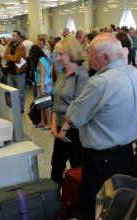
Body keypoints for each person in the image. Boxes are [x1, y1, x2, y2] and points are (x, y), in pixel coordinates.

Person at [66, 33, 137, 220]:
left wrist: (73, 105)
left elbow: (75, 117)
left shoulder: (99, 83)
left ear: (106, 57)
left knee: (97, 205)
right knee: (121, 201)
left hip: (101, 158)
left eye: (91, 54)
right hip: (126, 152)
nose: (88, 57)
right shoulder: (133, 73)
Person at [50, 37, 89, 185]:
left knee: (76, 169)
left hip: (73, 130)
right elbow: (55, 101)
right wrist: (53, 124)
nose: (58, 58)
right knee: (56, 166)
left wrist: (63, 131)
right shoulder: (61, 73)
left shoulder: (82, 76)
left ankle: (75, 203)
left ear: (71, 55)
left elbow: (78, 106)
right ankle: (55, 202)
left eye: (61, 54)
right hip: (60, 127)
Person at [29, 45, 53, 129]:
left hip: (44, 84)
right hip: (43, 83)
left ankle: (49, 123)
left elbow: (43, 75)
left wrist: (42, 87)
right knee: (42, 104)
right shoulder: (43, 58)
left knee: (46, 105)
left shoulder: (40, 60)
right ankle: (43, 121)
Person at [4, 30, 27, 113]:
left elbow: (17, 59)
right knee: (11, 91)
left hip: (19, 72)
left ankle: (21, 108)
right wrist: (11, 57)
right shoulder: (9, 45)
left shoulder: (21, 47)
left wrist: (10, 56)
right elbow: (5, 56)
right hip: (10, 72)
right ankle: (13, 107)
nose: (12, 37)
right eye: (12, 35)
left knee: (21, 92)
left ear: (18, 37)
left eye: (14, 35)